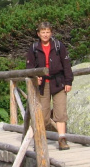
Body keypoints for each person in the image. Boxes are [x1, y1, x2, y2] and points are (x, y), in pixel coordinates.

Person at [26, 21, 74, 150]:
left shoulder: (59, 46)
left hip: (59, 82)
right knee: (43, 114)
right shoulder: (34, 48)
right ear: (38, 34)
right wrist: (35, 77)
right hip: (43, 85)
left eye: (47, 32)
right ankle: (39, 140)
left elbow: (66, 65)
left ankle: (62, 139)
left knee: (61, 112)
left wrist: (68, 81)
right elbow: (29, 67)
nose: (45, 35)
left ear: (51, 33)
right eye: (43, 32)